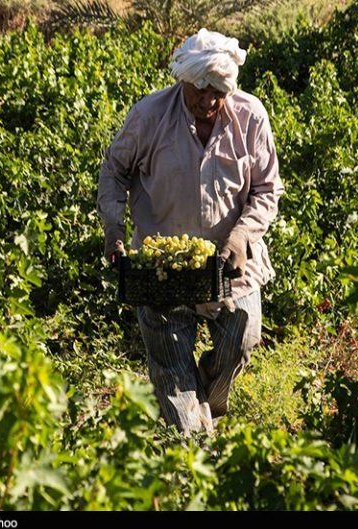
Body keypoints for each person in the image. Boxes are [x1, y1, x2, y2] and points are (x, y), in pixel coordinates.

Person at [96, 28, 284, 435]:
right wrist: (113, 228)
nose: (208, 101)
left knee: (242, 339)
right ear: (183, 79)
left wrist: (241, 236)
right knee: (176, 387)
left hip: (230, 265)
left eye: (218, 91)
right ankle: (193, 449)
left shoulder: (250, 117)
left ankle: (209, 399)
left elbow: (267, 189)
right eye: (200, 89)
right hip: (162, 268)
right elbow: (114, 170)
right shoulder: (150, 116)